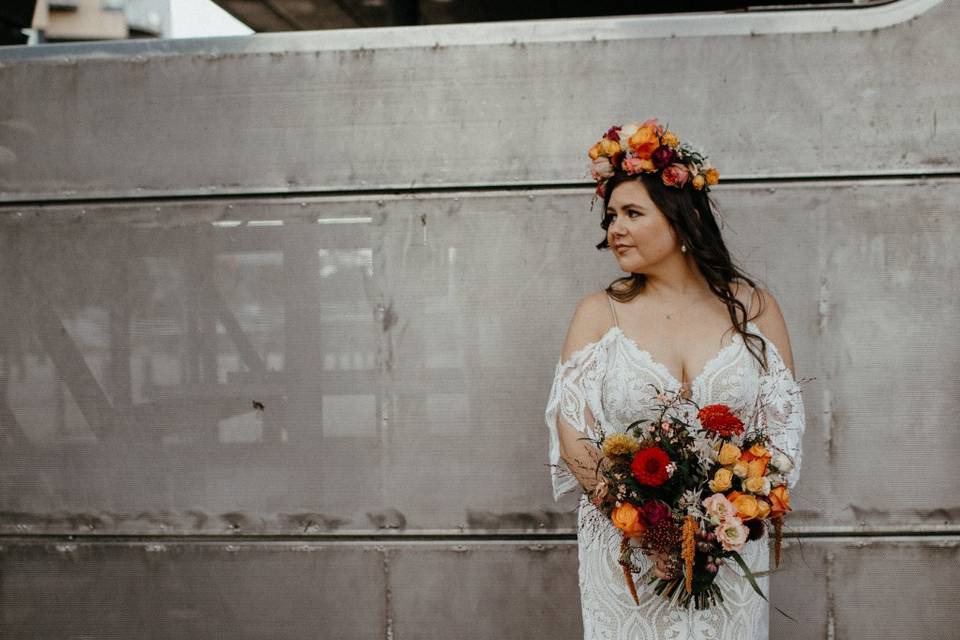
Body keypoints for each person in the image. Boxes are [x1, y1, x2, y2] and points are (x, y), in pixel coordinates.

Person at [544, 119, 806, 639]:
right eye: (611, 216)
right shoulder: (600, 314)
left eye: (632, 214)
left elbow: (782, 428)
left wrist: (724, 518)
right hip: (627, 553)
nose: (614, 229)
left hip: (727, 549)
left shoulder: (752, 307)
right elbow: (573, 433)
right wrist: (645, 525)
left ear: (681, 220)